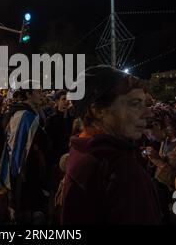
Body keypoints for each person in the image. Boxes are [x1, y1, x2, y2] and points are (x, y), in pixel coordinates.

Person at [61, 65, 161, 224]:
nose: (148, 113)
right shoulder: (119, 168)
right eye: (134, 104)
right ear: (98, 111)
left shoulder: (84, 149)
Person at [0, 85, 49, 223]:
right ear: (28, 94)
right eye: (38, 92)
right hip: (23, 169)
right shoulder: (25, 116)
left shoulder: (28, 112)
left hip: (29, 166)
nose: (42, 94)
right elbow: (21, 145)